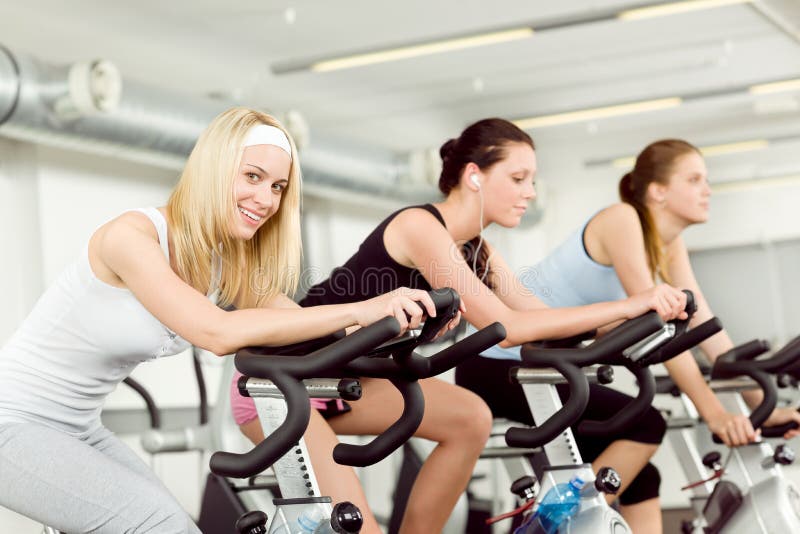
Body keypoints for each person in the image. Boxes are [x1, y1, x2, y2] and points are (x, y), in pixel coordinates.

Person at [233, 117, 688, 533]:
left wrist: (626, 322)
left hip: (345, 382)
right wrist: (631, 303)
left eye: (531, 180)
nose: (530, 191)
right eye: (518, 178)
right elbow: (507, 326)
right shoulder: (419, 227)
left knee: (470, 418)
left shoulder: (477, 250)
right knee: (359, 526)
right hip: (280, 384)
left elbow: (537, 318)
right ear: (474, 176)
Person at [0, 107, 443, 534]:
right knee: (155, 523)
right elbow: (216, 332)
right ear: (213, 169)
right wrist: (360, 310)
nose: (266, 199)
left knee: (179, 528)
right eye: (252, 177)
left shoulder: (223, 262)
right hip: (12, 425)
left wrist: (398, 321)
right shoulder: (131, 237)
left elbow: (305, 326)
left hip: (80, 427)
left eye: (277, 187)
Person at [464, 138, 800, 533]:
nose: (707, 190)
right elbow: (660, 331)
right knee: (646, 425)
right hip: (496, 365)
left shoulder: (669, 246)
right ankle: (553, 527)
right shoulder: (621, 220)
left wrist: (762, 402)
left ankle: (561, 519)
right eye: (694, 179)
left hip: (547, 370)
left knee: (642, 477)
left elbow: (706, 332)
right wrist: (715, 415)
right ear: (658, 191)